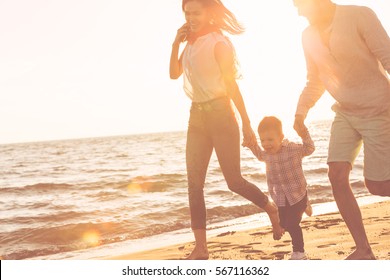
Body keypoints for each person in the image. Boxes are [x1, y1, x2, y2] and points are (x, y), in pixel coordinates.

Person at [169, 0, 283, 260]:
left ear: (210, 13)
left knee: (234, 182)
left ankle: (271, 208)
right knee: (193, 185)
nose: (190, 17)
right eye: (187, 13)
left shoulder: (219, 44)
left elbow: (232, 86)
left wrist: (246, 123)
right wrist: (176, 43)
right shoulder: (190, 42)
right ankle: (201, 248)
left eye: (195, 12)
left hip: (222, 115)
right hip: (196, 118)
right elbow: (174, 74)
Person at [292, 0, 390, 259]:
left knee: (378, 186)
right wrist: (301, 111)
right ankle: (364, 249)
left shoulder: (359, 16)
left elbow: (388, 56)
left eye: (301, 4)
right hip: (345, 111)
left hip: (379, 109)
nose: (298, 11)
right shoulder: (308, 35)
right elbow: (316, 78)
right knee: (336, 175)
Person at [245, 116, 315, 260]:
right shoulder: (266, 154)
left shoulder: (292, 149)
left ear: (281, 137)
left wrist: (304, 133)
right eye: (262, 140)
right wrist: (251, 144)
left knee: (292, 224)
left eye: (270, 140)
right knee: (283, 224)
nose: (266, 144)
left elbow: (309, 148)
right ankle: (306, 206)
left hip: (297, 194)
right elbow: (259, 154)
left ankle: (299, 253)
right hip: (281, 198)